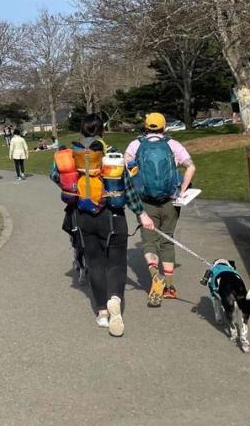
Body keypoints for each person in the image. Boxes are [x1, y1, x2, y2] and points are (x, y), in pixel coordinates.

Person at [71, 114, 155, 337]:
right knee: (116, 263)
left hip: (84, 217)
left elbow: (56, 176)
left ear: (82, 129)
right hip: (113, 216)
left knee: (95, 263)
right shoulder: (112, 152)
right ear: (102, 130)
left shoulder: (73, 153)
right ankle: (115, 299)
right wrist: (142, 214)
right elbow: (128, 187)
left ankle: (101, 313)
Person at [125, 112, 197, 306]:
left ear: (146, 126)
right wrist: (182, 189)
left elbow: (127, 168)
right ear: (164, 127)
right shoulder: (173, 145)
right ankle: (170, 287)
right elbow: (191, 167)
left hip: (146, 202)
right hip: (170, 201)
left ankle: (155, 275)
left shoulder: (135, 145)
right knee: (167, 240)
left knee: (149, 242)